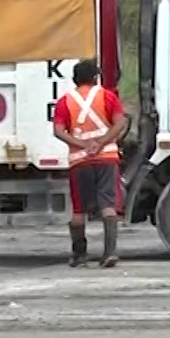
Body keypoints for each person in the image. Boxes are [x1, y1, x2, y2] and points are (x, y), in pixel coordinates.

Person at [53, 59, 130, 269]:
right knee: (108, 205)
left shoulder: (65, 101)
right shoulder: (108, 96)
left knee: (79, 210)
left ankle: (80, 255)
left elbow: (59, 131)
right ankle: (110, 253)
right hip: (107, 158)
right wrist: (102, 143)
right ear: (95, 77)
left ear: (74, 79)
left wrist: (82, 144)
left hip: (80, 161)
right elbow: (120, 122)